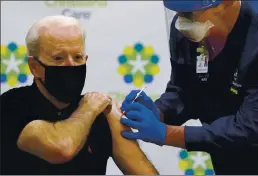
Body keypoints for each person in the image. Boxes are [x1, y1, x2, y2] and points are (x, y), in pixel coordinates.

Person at [1, 15, 158, 175]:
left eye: (77, 57)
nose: (71, 66)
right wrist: (88, 110)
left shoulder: (104, 114)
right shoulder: (10, 107)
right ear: (34, 67)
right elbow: (61, 148)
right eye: (59, 58)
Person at [120, 0, 258, 175]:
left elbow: (250, 129)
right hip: (226, 161)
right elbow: (184, 90)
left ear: (225, 4)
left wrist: (167, 134)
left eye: (189, 14)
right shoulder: (187, 31)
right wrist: (160, 111)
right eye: (176, 13)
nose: (181, 23)